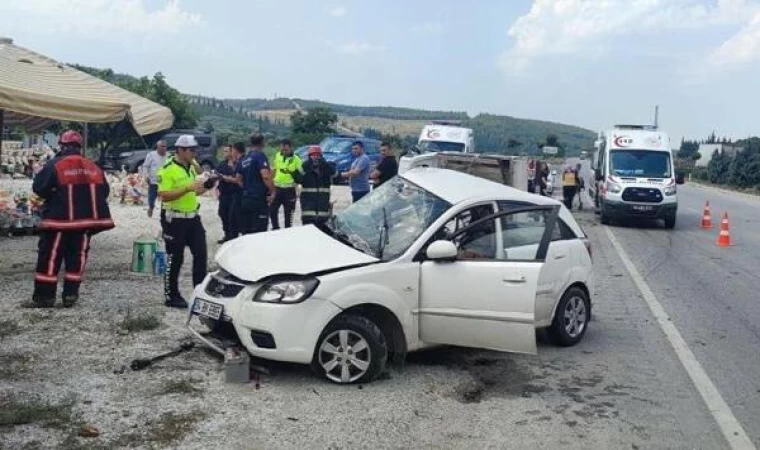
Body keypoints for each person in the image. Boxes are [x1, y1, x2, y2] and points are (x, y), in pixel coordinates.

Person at [28, 130, 115, 308]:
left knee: (51, 257)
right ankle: (70, 295)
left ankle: (45, 297)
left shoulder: (56, 165)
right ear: (79, 147)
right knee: (77, 257)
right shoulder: (93, 167)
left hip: (59, 222)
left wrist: (54, 193)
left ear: (62, 145)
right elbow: (104, 192)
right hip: (84, 224)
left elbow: (39, 187)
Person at [157, 135, 216, 308]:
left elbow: (194, 192)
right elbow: (164, 195)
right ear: (180, 150)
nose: (194, 152)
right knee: (175, 258)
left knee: (201, 254)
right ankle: (171, 296)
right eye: (191, 150)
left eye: (195, 149)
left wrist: (206, 186)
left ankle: (199, 293)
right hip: (174, 219)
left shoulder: (191, 167)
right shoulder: (167, 169)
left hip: (192, 217)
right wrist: (186, 188)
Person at [236, 134, 275, 234]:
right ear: (262, 143)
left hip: (246, 200)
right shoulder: (260, 156)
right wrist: (273, 191)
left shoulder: (244, 159)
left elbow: (238, 179)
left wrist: (246, 188)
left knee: (246, 231)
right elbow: (265, 176)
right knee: (259, 233)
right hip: (258, 200)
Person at [269, 138, 302, 229]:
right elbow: (274, 170)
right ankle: (276, 228)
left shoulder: (297, 159)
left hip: (289, 190)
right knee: (272, 210)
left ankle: (287, 233)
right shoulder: (277, 156)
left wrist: (299, 187)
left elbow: (301, 176)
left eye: (286, 150)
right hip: (277, 189)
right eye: (282, 150)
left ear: (291, 148)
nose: (284, 152)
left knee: (288, 216)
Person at [299, 146, 335, 226]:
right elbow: (297, 178)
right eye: (313, 155)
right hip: (308, 213)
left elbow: (336, 176)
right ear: (309, 157)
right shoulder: (305, 169)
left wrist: (325, 165)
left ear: (321, 157)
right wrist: (305, 166)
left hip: (323, 213)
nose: (315, 158)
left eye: (318, 155)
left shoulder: (326, 169)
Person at [215, 145, 242, 243]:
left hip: (235, 194)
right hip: (224, 194)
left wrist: (226, 178)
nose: (224, 154)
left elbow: (239, 179)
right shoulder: (222, 164)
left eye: (226, 151)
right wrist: (216, 189)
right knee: (222, 214)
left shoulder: (238, 164)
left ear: (232, 152)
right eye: (223, 151)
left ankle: (234, 237)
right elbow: (216, 176)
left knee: (234, 217)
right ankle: (227, 235)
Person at [142, 140, 167, 218]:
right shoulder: (151, 155)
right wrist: (146, 176)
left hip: (165, 182)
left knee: (165, 198)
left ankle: (163, 213)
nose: (163, 148)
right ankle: (151, 208)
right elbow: (145, 166)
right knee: (152, 197)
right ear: (157, 147)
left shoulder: (169, 156)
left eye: (165, 146)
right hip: (153, 181)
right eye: (162, 146)